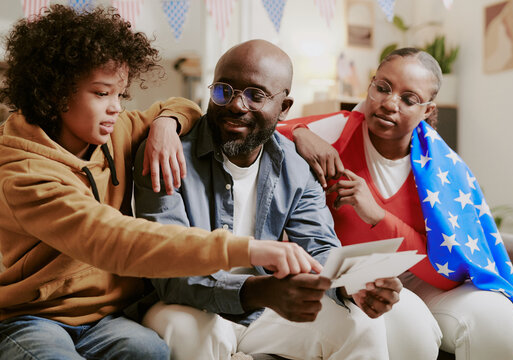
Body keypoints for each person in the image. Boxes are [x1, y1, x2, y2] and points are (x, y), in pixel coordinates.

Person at [0, 7, 318, 360]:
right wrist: (247, 249)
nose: (115, 108)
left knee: (150, 350)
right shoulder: (22, 172)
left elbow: (184, 106)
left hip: (106, 317)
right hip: (32, 317)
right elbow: (111, 238)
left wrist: (166, 124)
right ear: (56, 93)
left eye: (120, 95)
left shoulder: (114, 133)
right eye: (102, 93)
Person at [134, 39, 403, 360]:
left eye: (255, 95)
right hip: (185, 306)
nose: (235, 105)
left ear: (284, 108)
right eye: (223, 90)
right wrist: (259, 292)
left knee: (362, 327)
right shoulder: (168, 153)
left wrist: (353, 283)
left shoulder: (296, 166)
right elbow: (169, 270)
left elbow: (319, 249)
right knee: (189, 329)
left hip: (265, 309)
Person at [278, 47, 513, 359]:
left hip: (427, 281)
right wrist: (301, 133)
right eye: (383, 88)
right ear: (371, 85)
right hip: (356, 280)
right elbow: (263, 128)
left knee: (497, 319)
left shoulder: (444, 170)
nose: (389, 103)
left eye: (408, 98)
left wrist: (377, 215)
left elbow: (446, 274)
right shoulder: (331, 133)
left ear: (427, 110)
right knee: (406, 319)